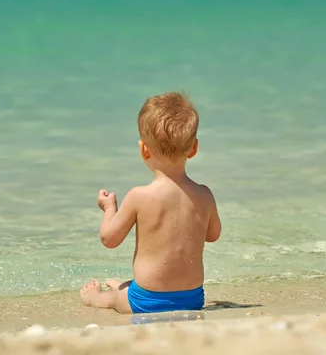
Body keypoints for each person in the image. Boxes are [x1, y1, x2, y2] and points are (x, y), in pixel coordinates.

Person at [80, 91, 222, 314]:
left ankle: (95, 298)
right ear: (194, 148)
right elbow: (213, 235)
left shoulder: (139, 196)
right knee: (128, 287)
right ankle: (126, 287)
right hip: (193, 298)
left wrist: (109, 208)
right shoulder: (204, 194)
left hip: (146, 301)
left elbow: (109, 239)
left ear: (143, 149)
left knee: (116, 298)